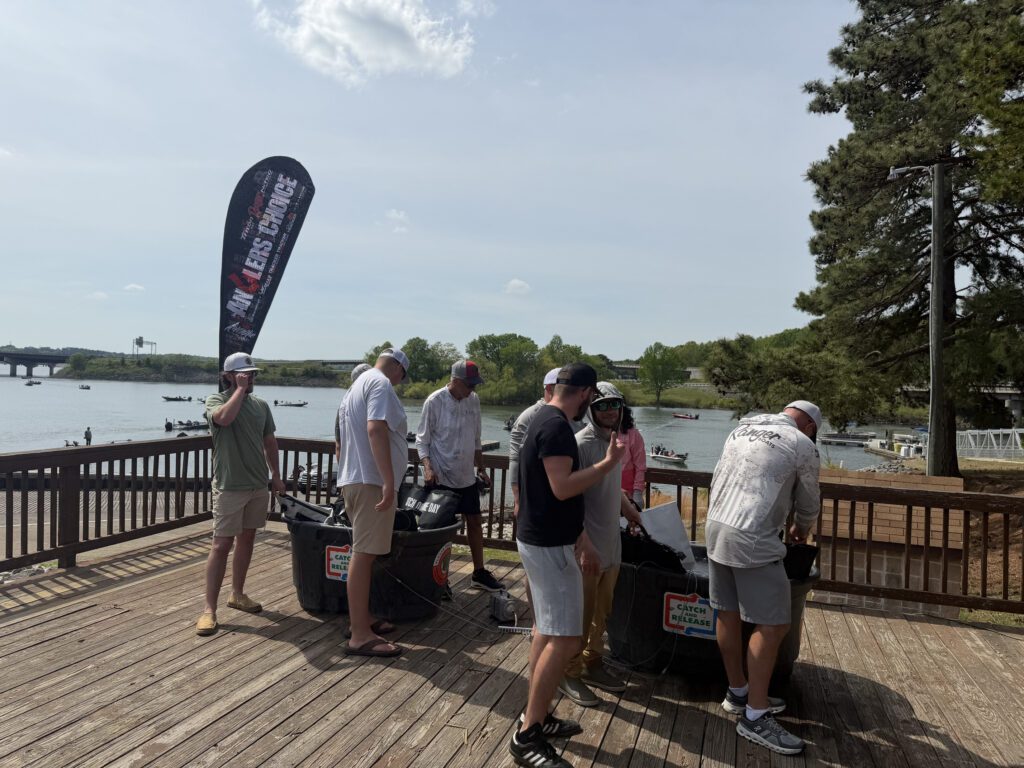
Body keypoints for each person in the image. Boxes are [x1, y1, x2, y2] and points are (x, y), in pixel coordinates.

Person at [510, 363, 625, 768]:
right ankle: (527, 736)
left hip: (539, 538)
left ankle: (537, 715)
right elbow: (562, 488)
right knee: (565, 639)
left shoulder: (541, 418)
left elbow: (546, 489)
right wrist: (609, 463)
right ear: (586, 393)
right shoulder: (558, 428)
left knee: (545, 631)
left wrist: (580, 534)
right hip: (549, 546)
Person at [705, 400, 822, 756]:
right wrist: (801, 528)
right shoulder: (803, 444)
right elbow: (809, 500)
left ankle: (738, 691)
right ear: (810, 427)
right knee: (773, 624)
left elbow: (718, 477)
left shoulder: (741, 429)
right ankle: (755, 715)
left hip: (715, 526)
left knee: (726, 611)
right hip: (752, 535)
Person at [559, 382, 643, 707]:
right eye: (602, 405)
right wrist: (582, 543)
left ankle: (592, 662)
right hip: (587, 547)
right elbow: (568, 497)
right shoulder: (580, 444)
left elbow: (612, 484)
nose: (610, 411)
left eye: (614, 405)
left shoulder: (615, 441)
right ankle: (568, 672)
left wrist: (631, 511)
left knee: (602, 614)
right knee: (580, 615)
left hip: (612, 544)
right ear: (591, 409)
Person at [196, 352, 284, 636]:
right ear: (228, 376)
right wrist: (239, 390)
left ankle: (238, 593)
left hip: (257, 484)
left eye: (253, 373)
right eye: (244, 374)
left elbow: (269, 442)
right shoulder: (216, 400)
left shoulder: (261, 405)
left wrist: (276, 476)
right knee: (221, 545)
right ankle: (209, 610)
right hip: (229, 484)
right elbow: (223, 419)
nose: (251, 378)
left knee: (247, 539)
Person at [337, 348, 410, 657]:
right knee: (364, 555)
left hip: (355, 479)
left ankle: (361, 619)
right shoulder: (380, 383)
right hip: (370, 482)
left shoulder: (357, 386)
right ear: (398, 369)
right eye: (402, 377)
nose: (399, 383)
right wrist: (388, 481)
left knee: (362, 552)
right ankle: (360, 636)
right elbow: (375, 428)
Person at [416, 360, 504, 593]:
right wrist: (428, 468)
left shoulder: (473, 400)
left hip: (466, 476)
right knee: (441, 529)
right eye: (469, 384)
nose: (473, 389)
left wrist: (481, 469)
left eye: (475, 384)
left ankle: (479, 572)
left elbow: (476, 439)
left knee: (474, 522)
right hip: (441, 477)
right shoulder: (434, 401)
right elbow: (422, 441)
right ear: (455, 380)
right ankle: (439, 578)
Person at [508, 367, 585, 516]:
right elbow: (515, 458)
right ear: (549, 389)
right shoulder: (528, 417)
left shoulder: (574, 415)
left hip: (570, 494)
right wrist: (517, 499)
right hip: (538, 496)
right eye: (562, 388)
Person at [336, 362, 373, 462]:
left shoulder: (343, 404)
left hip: (348, 466)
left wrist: (342, 468)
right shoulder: (371, 402)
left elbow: (338, 445)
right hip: (366, 465)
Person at [618, 404, 646, 508]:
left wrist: (637, 492)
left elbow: (640, 466)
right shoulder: (598, 433)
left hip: (629, 493)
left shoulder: (634, 434)